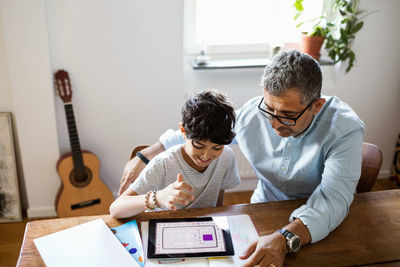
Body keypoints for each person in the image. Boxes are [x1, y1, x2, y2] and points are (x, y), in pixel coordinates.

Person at [118, 50, 365, 267]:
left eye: (288, 115)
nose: (274, 123)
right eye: (269, 109)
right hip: (260, 211)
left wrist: (285, 238)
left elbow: (333, 200)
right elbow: (208, 130)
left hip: (313, 223)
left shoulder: (344, 130)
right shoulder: (254, 113)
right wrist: (148, 152)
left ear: (317, 105)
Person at [110, 89, 240, 219]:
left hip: (204, 227)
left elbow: (218, 205)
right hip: (166, 227)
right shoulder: (164, 163)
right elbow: (116, 209)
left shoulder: (226, 157)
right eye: (199, 146)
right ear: (183, 131)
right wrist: (158, 197)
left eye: (217, 147)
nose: (206, 156)